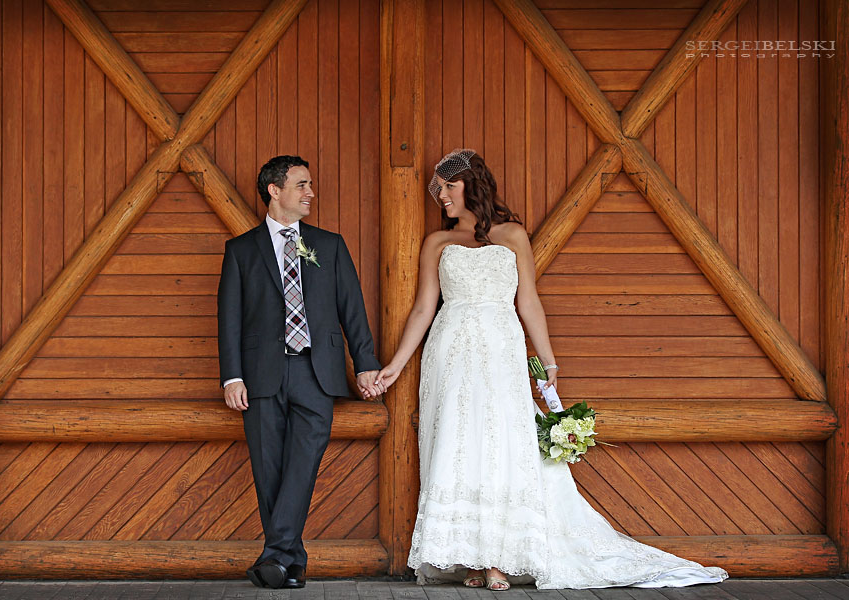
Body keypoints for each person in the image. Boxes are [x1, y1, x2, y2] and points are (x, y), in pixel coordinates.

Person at [372, 149, 728, 590]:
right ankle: (470, 557)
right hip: (451, 353)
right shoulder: (437, 243)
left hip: (501, 352)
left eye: (449, 186)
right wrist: (395, 366)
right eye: (438, 189)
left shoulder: (513, 235)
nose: (441, 196)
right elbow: (425, 307)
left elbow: (528, 303)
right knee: (457, 443)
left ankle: (499, 558)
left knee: (503, 446)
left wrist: (548, 364)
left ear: (473, 185)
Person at [217, 155, 384, 589]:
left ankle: (276, 557)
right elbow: (229, 318)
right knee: (268, 467)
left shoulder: (328, 246)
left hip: (317, 372)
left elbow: (353, 311)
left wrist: (365, 364)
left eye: (310, 185)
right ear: (275, 190)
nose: (311, 193)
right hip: (259, 376)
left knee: (302, 464)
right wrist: (232, 376)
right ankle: (289, 561)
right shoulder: (241, 250)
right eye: (302, 185)